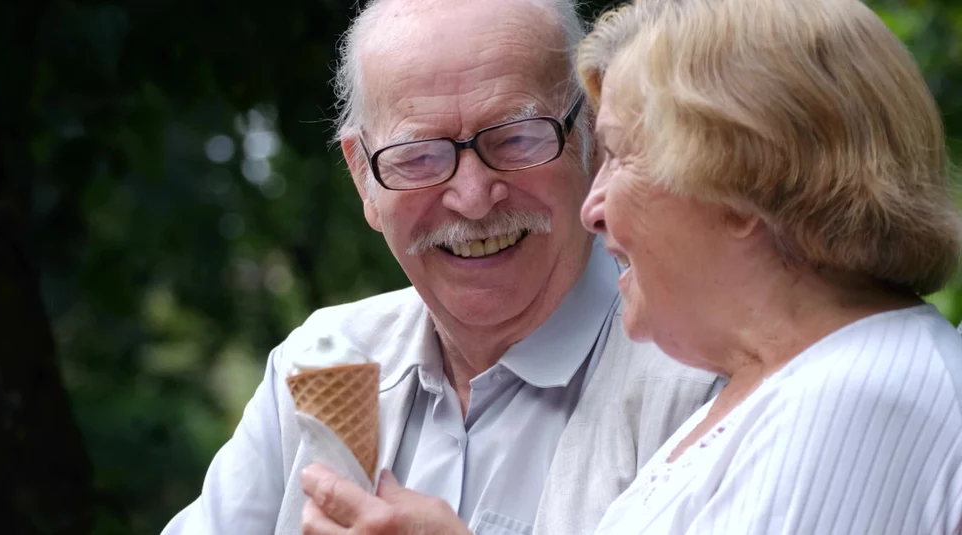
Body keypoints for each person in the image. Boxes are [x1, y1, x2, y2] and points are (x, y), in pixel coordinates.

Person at [297, 0, 962, 533]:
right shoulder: (780, 385)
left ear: (742, 189)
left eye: (616, 153)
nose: (592, 204)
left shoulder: (856, 396)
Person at [162, 0, 720, 533]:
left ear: (591, 139)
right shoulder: (314, 366)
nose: (474, 198)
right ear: (363, 177)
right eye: (420, 156)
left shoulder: (701, 380)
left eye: (516, 139)